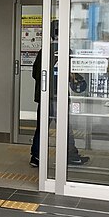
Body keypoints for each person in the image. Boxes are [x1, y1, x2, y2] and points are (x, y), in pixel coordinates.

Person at [30, 31, 90, 168]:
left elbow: (35, 73)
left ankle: (36, 156)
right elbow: (71, 73)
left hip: (44, 96)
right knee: (65, 127)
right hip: (59, 97)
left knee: (41, 127)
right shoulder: (66, 51)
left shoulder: (43, 51)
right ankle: (71, 156)